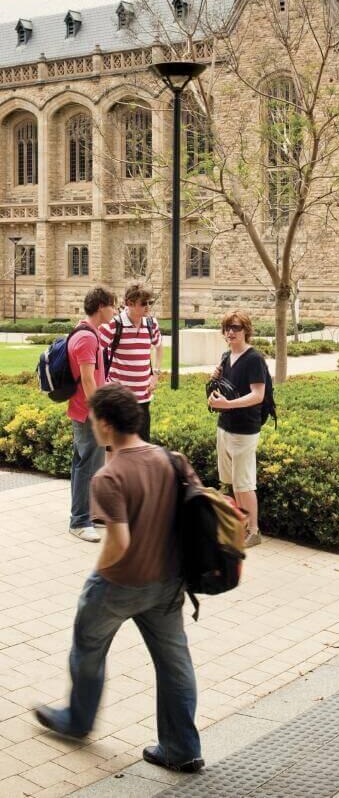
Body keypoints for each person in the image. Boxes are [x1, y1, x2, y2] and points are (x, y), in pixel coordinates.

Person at [35, 384, 205, 772]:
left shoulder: (109, 476)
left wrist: (100, 573)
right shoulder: (170, 459)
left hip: (120, 585)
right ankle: (182, 750)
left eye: (94, 419)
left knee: (88, 648)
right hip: (168, 585)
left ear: (107, 424)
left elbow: (119, 541)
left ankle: (77, 721)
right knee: (174, 663)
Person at [208, 310, 267, 548]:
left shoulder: (254, 359)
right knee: (233, 482)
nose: (231, 332)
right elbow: (224, 388)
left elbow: (258, 395)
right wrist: (214, 385)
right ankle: (240, 526)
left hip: (244, 429)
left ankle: (254, 531)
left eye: (236, 328)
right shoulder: (225, 356)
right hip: (225, 425)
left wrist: (228, 404)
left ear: (246, 331)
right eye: (227, 328)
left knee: (244, 482)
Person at [67, 285, 117, 542]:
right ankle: (80, 521)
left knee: (82, 465)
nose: (115, 311)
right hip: (87, 413)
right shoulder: (87, 337)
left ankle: (81, 517)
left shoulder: (85, 332)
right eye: (112, 305)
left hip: (83, 410)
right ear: (101, 307)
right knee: (88, 467)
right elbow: (87, 379)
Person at [99, 283, 163, 441]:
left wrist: (155, 374)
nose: (148, 307)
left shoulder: (151, 324)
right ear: (129, 303)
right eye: (144, 303)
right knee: (116, 446)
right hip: (119, 400)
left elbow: (159, 347)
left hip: (143, 398)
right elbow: (95, 352)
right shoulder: (114, 325)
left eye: (150, 303)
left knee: (142, 446)